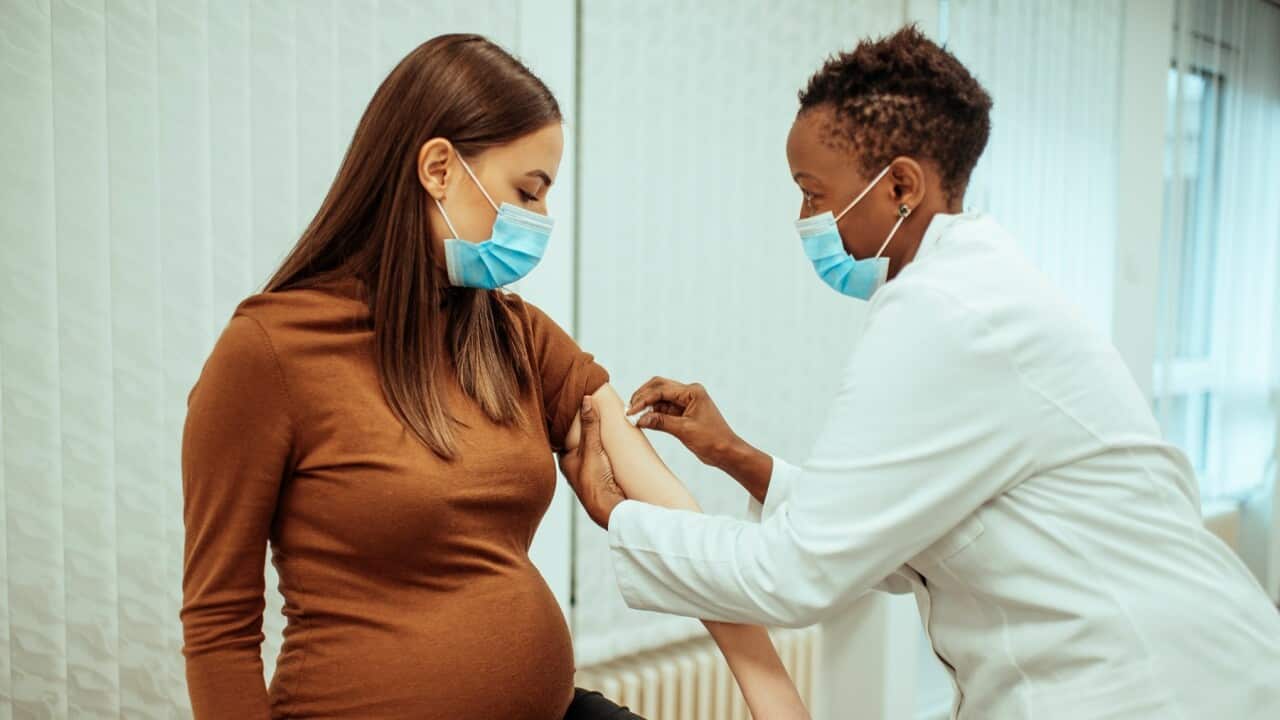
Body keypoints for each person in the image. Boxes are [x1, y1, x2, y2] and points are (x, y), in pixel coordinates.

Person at [560, 26, 1280, 719]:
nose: (802, 217)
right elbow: (896, 544)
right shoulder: (975, 295)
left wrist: (618, 514)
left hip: (1151, 687)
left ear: (899, 185)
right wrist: (736, 456)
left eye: (813, 192)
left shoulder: (945, 313)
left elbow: (796, 572)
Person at [180, 34, 805, 720]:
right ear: (439, 168)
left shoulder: (514, 336)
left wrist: (771, 694)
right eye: (526, 193)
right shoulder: (268, 353)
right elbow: (219, 627)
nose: (541, 221)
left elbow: (668, 511)